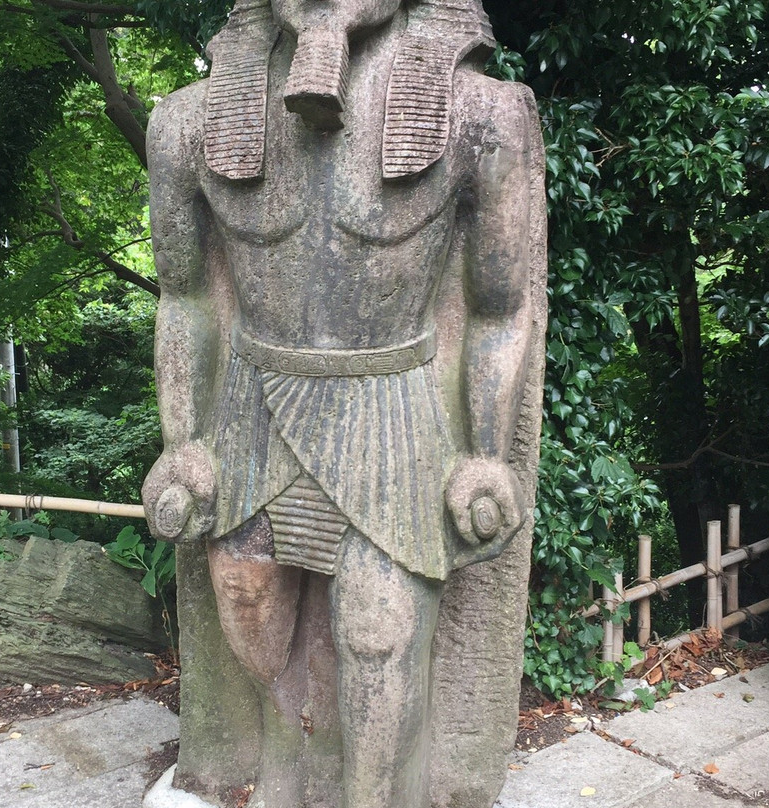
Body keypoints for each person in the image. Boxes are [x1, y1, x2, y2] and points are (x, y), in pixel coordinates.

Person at [142, 1, 545, 806]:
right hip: (254, 411)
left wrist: (487, 454)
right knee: (248, 607)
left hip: (393, 413)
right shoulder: (186, 126)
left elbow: (502, 308)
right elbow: (183, 297)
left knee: (378, 631)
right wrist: (183, 439)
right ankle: (295, 765)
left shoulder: (482, 115)